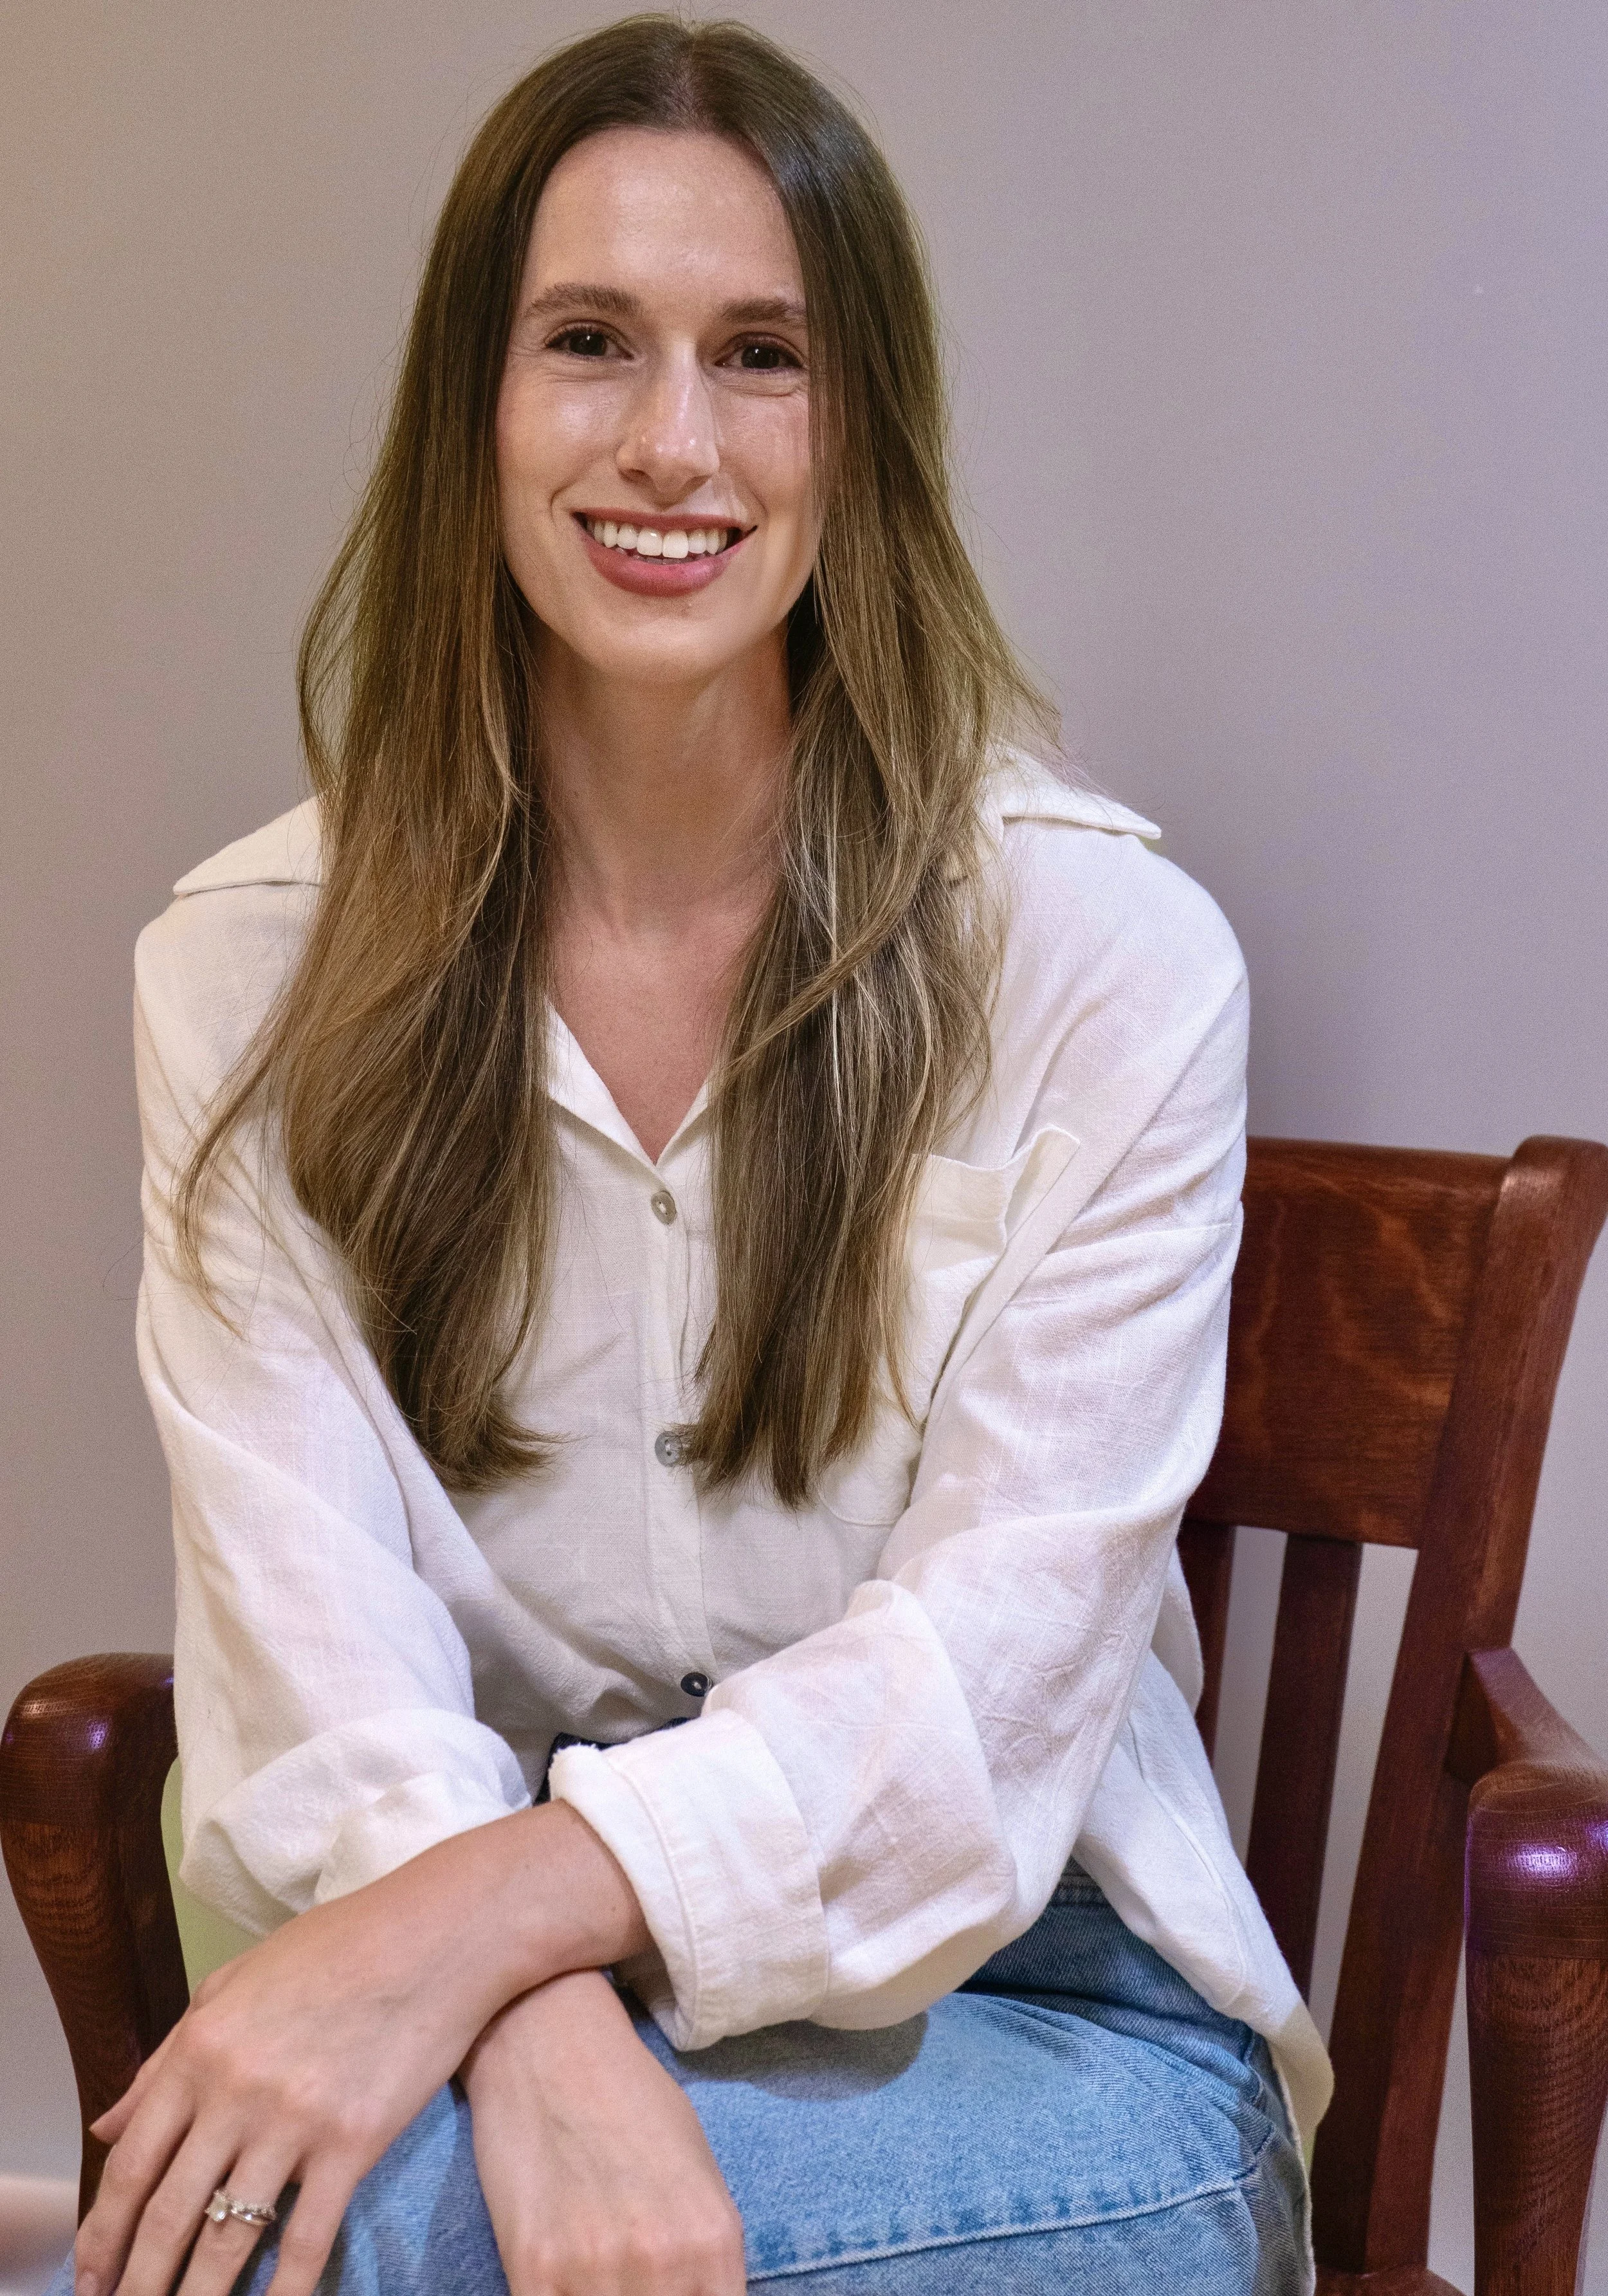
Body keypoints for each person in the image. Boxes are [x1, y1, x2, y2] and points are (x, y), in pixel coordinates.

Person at [61, 18, 1329, 2296]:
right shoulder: (240, 979)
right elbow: (311, 1642)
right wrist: (535, 2019)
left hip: (1039, 2018)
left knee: (319, 2260)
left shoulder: (1104, 956)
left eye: (765, 356)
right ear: (473, 406)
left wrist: (465, 1950)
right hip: (466, 1988)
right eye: (586, 344)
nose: (673, 442)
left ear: (873, 430)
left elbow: (976, 1695)